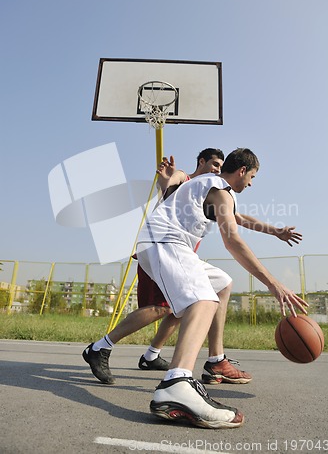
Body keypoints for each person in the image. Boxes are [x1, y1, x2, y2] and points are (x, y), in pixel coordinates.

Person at [135, 147, 308, 429]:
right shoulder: (216, 186)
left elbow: (239, 218)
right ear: (242, 171)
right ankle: (176, 384)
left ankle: (215, 361)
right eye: (252, 177)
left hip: (168, 244)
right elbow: (233, 241)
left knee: (221, 285)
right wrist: (274, 284)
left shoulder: (214, 188)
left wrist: (276, 231)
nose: (251, 183)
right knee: (203, 300)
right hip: (164, 242)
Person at [83, 148, 247, 384]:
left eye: (220, 167)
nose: (217, 170)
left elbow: (234, 215)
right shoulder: (187, 179)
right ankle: (101, 347)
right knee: (160, 308)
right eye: (214, 164)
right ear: (201, 162)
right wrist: (166, 180)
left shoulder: (213, 189)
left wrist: (273, 230)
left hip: (179, 255)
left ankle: (151, 355)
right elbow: (170, 186)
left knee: (183, 306)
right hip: (163, 250)